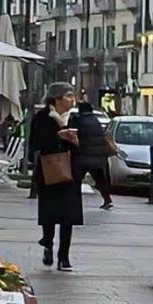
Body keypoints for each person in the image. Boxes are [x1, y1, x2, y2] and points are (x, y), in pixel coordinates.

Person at [28, 83, 82, 271]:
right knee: (50, 213)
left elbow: (85, 145)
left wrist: (76, 142)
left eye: (73, 95)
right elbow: (34, 144)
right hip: (48, 170)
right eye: (68, 95)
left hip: (70, 172)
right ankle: (48, 245)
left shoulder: (75, 119)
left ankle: (64, 256)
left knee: (68, 215)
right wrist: (58, 136)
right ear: (56, 98)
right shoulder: (41, 118)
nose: (72, 99)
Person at [72, 101, 114, 210]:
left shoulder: (78, 120)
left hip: (82, 156)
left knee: (76, 181)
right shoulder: (96, 121)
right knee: (100, 180)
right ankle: (107, 199)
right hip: (98, 157)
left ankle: (74, 202)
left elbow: (73, 136)